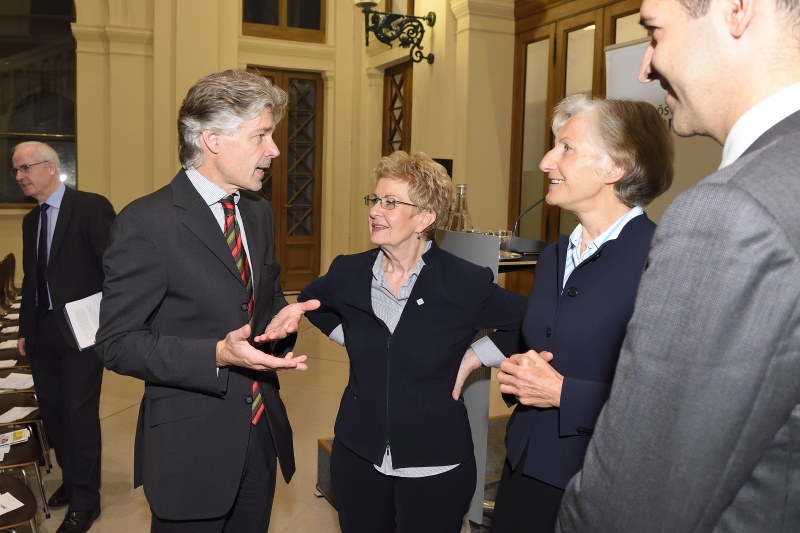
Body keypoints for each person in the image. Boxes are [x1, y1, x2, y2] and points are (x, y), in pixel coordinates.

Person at [555, 0, 800, 529]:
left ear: (737, 11)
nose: (645, 67)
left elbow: (634, 500)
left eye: (655, 33)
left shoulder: (732, 212)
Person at [94, 69, 319, 533]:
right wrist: (215, 353)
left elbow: (261, 297)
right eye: (261, 135)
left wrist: (279, 318)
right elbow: (117, 342)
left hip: (259, 435)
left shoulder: (256, 212)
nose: (274, 149)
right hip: (189, 449)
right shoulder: (146, 223)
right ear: (212, 139)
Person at [297, 151, 526, 533]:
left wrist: (474, 356)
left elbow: (533, 321)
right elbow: (311, 302)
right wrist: (354, 339)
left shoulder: (463, 281)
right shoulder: (348, 272)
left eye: (391, 202)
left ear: (425, 217)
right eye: (375, 200)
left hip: (435, 463)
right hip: (358, 455)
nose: (375, 210)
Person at [484, 95, 673, 532]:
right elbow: (549, 346)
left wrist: (563, 394)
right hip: (523, 466)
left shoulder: (661, 259)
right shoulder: (554, 254)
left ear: (615, 168)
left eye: (566, 147)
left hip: (596, 482)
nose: (547, 161)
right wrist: (521, 374)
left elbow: (669, 399)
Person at [14, 141, 116, 533]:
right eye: (16, 171)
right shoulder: (31, 220)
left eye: (25, 168)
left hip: (82, 333)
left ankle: (87, 501)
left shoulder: (90, 207)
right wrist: (26, 329)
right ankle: (74, 484)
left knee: (79, 414)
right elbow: (31, 279)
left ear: (50, 167)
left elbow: (115, 267)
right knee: (56, 416)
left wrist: (111, 320)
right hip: (42, 334)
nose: (20, 176)